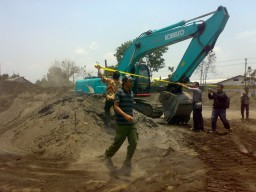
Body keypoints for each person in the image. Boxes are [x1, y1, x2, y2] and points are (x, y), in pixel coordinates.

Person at [104, 75, 137, 176]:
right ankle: (107, 155)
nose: (132, 83)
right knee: (117, 144)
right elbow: (115, 107)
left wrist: (131, 116)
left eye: (132, 81)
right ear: (125, 82)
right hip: (122, 124)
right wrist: (126, 115)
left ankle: (127, 164)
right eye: (130, 81)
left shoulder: (131, 93)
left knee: (134, 143)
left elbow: (130, 107)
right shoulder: (119, 92)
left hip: (131, 124)